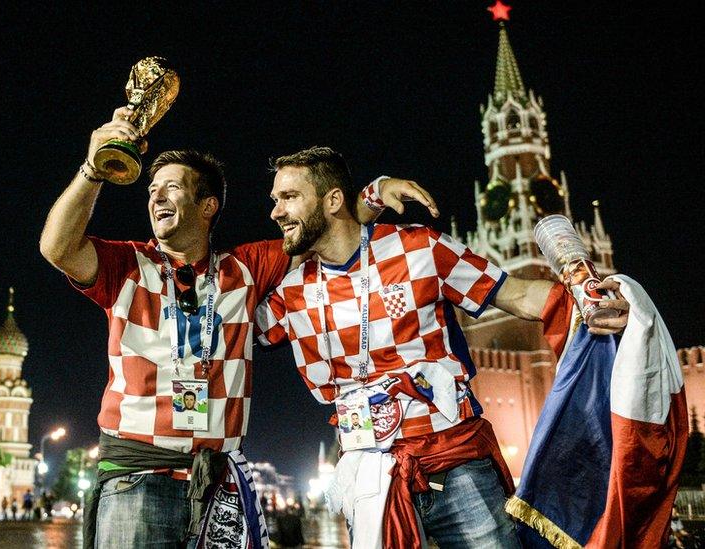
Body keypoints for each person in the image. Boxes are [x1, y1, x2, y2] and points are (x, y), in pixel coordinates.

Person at [39, 108, 437, 548]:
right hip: (137, 479)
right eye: (152, 190)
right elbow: (57, 247)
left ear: (207, 206)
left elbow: (323, 228)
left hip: (217, 486)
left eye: (172, 187)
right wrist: (93, 169)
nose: (157, 197)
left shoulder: (244, 268)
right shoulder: (128, 265)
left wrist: (376, 192)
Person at [255, 146, 631, 548]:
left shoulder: (419, 248)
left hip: (457, 462)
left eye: (289, 197)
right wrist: (373, 194)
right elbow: (230, 335)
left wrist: (588, 300)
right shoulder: (290, 294)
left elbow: (516, 295)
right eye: (275, 200)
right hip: (370, 480)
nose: (275, 211)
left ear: (332, 200)